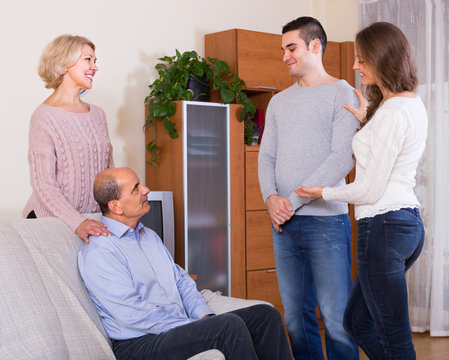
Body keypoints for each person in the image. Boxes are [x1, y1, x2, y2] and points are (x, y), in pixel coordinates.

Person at [296, 22, 427, 359]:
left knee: (395, 337)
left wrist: (322, 192)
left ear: (382, 59)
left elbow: (369, 189)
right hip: (406, 224)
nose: (355, 66)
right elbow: (389, 154)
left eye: (361, 59)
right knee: (356, 321)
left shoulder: (392, 113)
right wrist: (368, 119)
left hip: (383, 226)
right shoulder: (409, 104)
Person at [78, 167, 292, 360]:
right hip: (138, 343)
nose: (146, 189)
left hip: (172, 327)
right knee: (228, 327)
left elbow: (180, 280)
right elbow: (133, 314)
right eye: (136, 189)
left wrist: (204, 316)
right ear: (115, 206)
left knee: (266, 316)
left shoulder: (148, 235)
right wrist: (194, 325)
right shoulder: (100, 251)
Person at [258, 16, 360, 359]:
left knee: (335, 320)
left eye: (292, 47)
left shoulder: (342, 93)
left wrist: (290, 201)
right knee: (296, 322)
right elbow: (266, 156)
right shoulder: (278, 102)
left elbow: (341, 159)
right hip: (283, 224)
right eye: (283, 49)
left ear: (315, 46)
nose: (285, 55)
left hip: (326, 224)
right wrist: (271, 199)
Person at [23, 34, 114, 243]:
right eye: (87, 59)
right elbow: (43, 184)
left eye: (95, 61)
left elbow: (108, 174)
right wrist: (78, 222)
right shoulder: (44, 117)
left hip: (92, 220)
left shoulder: (98, 114)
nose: (94, 67)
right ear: (64, 64)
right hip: (51, 222)